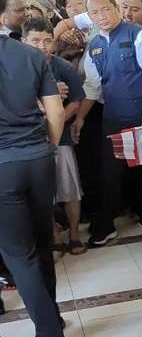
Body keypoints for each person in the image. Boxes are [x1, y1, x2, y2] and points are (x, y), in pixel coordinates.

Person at [0, 0, 70, 337]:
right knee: (43, 244)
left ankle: (50, 336)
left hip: (2, 167)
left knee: (17, 254)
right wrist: (50, 148)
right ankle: (53, 317)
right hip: (39, 157)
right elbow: (55, 113)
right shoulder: (30, 55)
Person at [72, 0, 142, 245]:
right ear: (89, 16)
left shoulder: (139, 36)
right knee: (110, 173)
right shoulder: (94, 46)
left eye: (106, 9)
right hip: (114, 118)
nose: (102, 16)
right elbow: (93, 87)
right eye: (95, 13)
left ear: (116, 8)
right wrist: (79, 118)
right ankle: (105, 225)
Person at [23, 17, 88, 255]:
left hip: (61, 138)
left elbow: (76, 100)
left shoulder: (62, 66)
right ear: (23, 41)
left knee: (70, 188)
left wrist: (55, 117)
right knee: (42, 192)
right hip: (30, 140)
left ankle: (74, 233)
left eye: (47, 40)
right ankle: (53, 234)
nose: (42, 46)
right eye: (35, 40)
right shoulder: (16, 68)